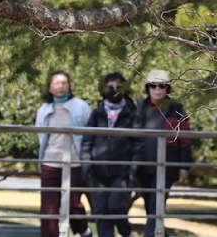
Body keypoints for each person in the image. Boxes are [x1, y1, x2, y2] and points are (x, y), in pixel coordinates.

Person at [80, 72, 142, 237]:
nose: (114, 90)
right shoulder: (97, 113)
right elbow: (87, 141)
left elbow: (137, 143)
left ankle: (126, 233)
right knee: (100, 211)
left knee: (115, 207)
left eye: (119, 87)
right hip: (98, 171)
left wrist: (133, 168)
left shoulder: (132, 113)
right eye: (110, 86)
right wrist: (86, 164)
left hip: (121, 171)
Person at [35, 70, 93, 237]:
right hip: (50, 163)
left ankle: (84, 230)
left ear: (69, 86)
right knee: (48, 208)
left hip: (73, 163)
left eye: (64, 82)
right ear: (49, 87)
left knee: (74, 203)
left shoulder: (80, 106)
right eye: (56, 83)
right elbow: (41, 135)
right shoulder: (44, 109)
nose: (60, 86)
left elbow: (89, 133)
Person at [136, 70, 192, 237]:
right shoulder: (139, 107)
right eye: (153, 85)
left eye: (162, 86)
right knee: (151, 208)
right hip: (143, 164)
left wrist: (185, 165)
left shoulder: (177, 111)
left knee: (156, 207)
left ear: (168, 88)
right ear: (148, 87)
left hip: (167, 166)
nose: (157, 89)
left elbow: (185, 140)